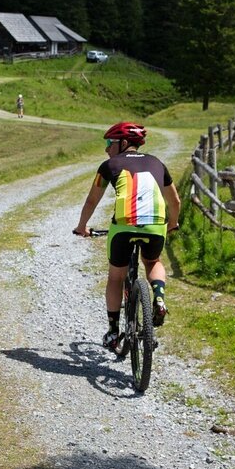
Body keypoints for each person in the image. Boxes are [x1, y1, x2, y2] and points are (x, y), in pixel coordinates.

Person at [73, 121, 181, 349]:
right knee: (152, 261)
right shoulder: (157, 163)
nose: (106, 148)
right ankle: (159, 298)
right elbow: (175, 201)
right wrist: (172, 223)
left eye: (109, 143)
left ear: (123, 143)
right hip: (155, 225)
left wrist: (82, 226)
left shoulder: (108, 165)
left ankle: (113, 332)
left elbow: (92, 200)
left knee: (115, 277)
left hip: (123, 226)